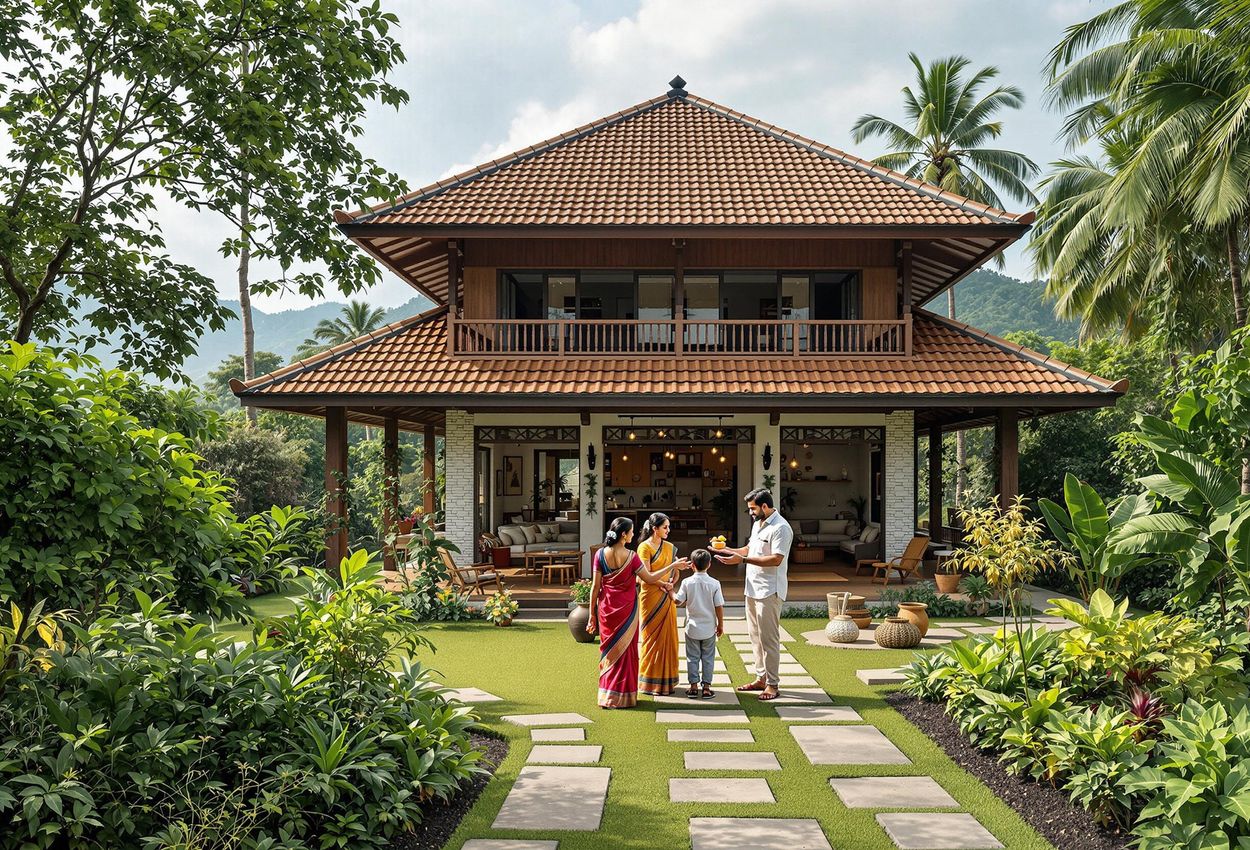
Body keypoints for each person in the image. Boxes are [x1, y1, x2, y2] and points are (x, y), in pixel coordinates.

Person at [586, 516, 675, 709]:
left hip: (606, 609)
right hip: (627, 609)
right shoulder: (632, 556)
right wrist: (673, 566)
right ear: (624, 534)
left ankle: (607, 697)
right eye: (632, 531)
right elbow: (649, 578)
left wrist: (591, 614)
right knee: (627, 651)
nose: (634, 534)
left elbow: (595, 586)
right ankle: (625, 697)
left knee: (608, 651)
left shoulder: (600, 555)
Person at [714, 487, 792, 701]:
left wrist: (743, 561)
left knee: (769, 639)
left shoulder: (781, 528)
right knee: (755, 637)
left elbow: (776, 559)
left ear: (764, 506)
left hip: (770, 590)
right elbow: (749, 549)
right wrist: (729, 550)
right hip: (752, 589)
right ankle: (761, 678)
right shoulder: (759, 525)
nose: (750, 513)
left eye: (752, 508)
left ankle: (773, 685)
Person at [636, 512, 690, 696]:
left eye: (668, 526)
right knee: (651, 639)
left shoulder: (669, 547)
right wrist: (665, 582)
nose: (668, 530)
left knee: (669, 638)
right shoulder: (644, 548)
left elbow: (676, 573)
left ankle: (667, 682)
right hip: (650, 597)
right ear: (654, 529)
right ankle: (649, 683)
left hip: (667, 596)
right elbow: (645, 576)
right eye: (665, 527)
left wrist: (672, 581)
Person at [673, 548, 724, 699]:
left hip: (692, 628)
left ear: (692, 565)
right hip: (709, 628)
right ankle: (707, 687)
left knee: (692, 657)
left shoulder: (687, 582)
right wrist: (720, 624)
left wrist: (670, 591)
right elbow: (719, 606)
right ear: (709, 564)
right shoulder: (715, 583)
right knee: (708, 657)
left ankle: (693, 686)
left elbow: (678, 601)